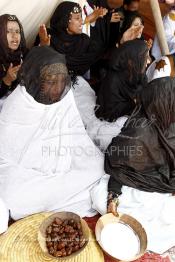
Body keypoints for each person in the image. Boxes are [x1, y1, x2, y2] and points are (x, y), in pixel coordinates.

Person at [0, 46, 104, 224]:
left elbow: (76, 134)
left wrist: (63, 158)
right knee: (11, 197)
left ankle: (54, 196)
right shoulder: (16, 106)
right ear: (35, 78)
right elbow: (8, 157)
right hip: (27, 173)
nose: (57, 88)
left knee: (98, 167)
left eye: (62, 80)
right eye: (50, 81)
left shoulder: (65, 96)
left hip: (63, 163)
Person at [92, 76, 175, 253]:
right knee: (103, 199)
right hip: (141, 186)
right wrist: (113, 197)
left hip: (157, 189)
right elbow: (119, 168)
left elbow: (117, 163)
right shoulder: (140, 132)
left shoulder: (160, 126)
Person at [95, 39, 149, 122]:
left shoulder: (139, 73)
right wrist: (134, 103)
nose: (148, 61)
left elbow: (145, 92)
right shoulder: (113, 79)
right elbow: (108, 112)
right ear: (131, 61)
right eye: (145, 58)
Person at [0, 14, 27, 100]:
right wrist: (7, 80)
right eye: (8, 31)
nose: (15, 36)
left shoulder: (22, 52)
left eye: (17, 31)